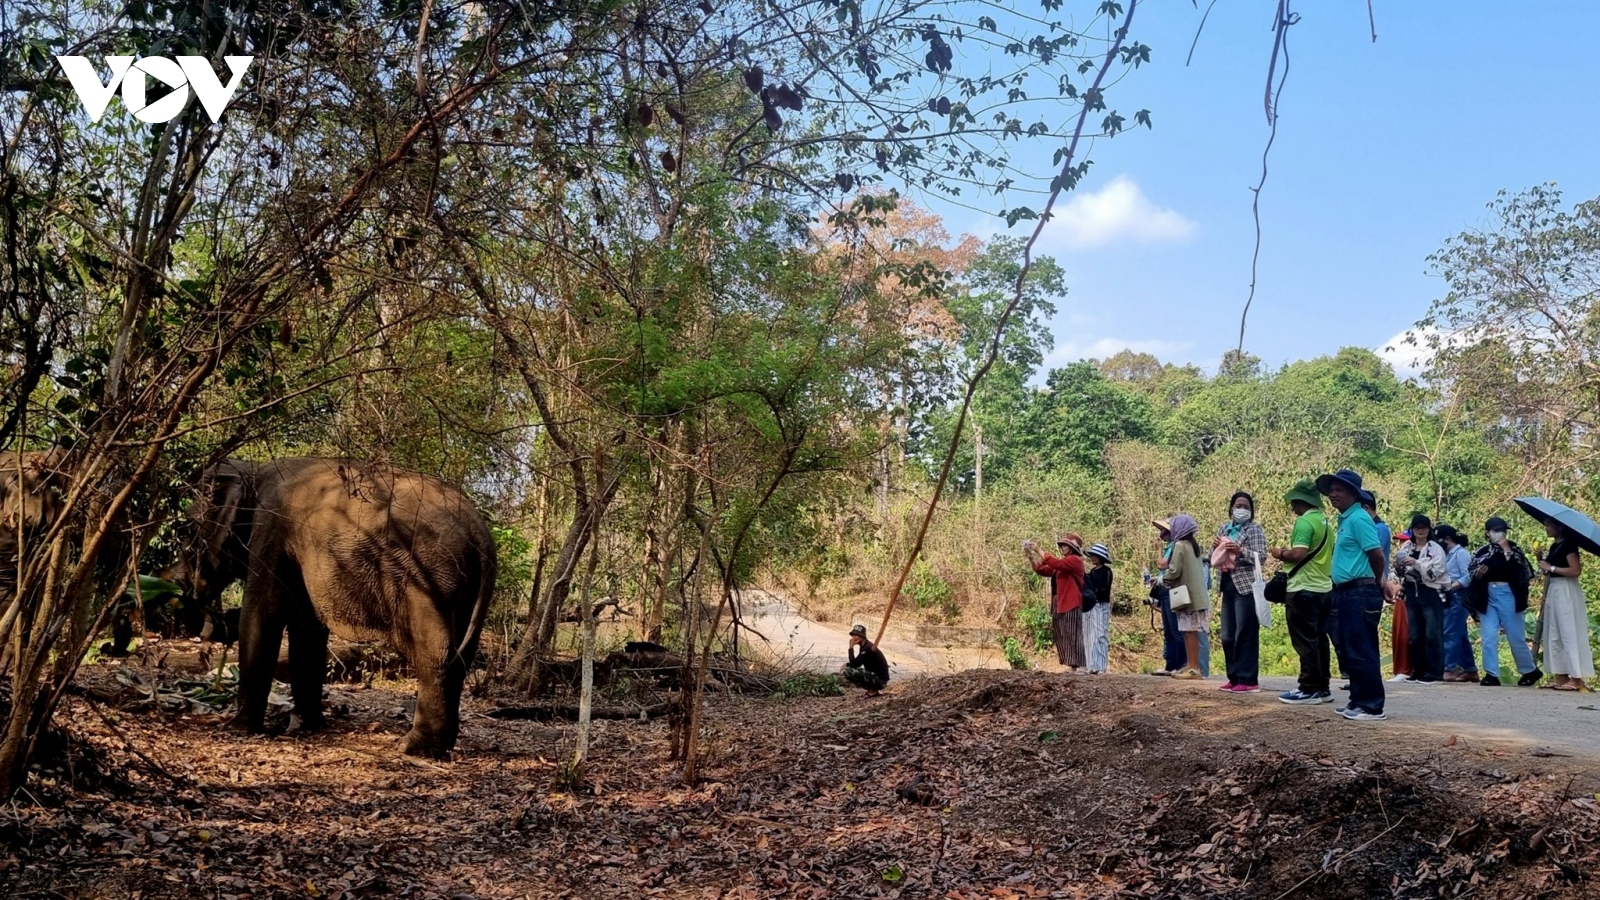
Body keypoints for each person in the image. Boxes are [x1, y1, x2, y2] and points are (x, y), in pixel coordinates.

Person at [1317, 469, 1390, 721]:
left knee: (1362, 647)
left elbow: (1376, 554)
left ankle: (1371, 705)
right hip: (1346, 592)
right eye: (1331, 490)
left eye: (1339, 490)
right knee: (1350, 648)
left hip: (1361, 590)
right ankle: (1358, 700)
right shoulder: (1346, 520)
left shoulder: (1359, 518)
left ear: (1352, 493)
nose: (1333, 494)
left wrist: (1379, 581)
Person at [1270, 479, 1335, 704]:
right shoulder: (1326, 522)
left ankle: (1308, 687)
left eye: (1293, 502)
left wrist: (1280, 553)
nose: (1291, 507)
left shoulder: (1304, 523)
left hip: (1303, 587)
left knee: (1304, 640)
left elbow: (1298, 554)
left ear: (1301, 502)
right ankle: (1323, 686)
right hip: (1324, 587)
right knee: (1319, 638)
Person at [1468, 516, 1542, 687]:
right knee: (1488, 636)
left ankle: (1530, 671)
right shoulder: (1481, 551)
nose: (1499, 534)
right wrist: (1479, 573)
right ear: (1488, 533)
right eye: (1495, 531)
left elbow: (1523, 571)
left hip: (1509, 594)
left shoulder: (1515, 549)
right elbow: (1471, 573)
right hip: (1487, 595)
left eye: (1502, 530)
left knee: (1516, 636)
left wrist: (1507, 550)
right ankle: (1491, 674)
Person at [1212, 491, 1267, 693]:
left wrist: (1240, 551)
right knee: (1227, 635)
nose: (1241, 509)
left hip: (1246, 586)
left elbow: (1261, 557)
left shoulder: (1254, 530)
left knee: (1245, 633)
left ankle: (1249, 679)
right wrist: (1215, 548)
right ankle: (1234, 677)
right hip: (1226, 585)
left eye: (1246, 506)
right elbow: (1213, 558)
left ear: (1251, 511)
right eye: (1238, 505)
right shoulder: (1224, 528)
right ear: (1231, 508)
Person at [1536, 519, 1592, 691]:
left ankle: (1576, 677)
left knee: (1568, 631)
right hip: (1554, 589)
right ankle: (1560, 675)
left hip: (1566, 590)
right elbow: (1549, 570)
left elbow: (1575, 571)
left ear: (1560, 527)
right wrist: (1542, 561)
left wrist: (1551, 568)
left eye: (1549, 525)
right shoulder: (1555, 547)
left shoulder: (1569, 546)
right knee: (1554, 632)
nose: (1546, 529)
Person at [1393, 514, 1448, 684]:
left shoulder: (1435, 549)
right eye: (1417, 527)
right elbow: (1399, 573)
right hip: (1411, 591)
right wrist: (1399, 566)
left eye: (1424, 527)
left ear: (1429, 529)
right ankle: (1418, 670)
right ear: (1412, 530)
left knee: (1433, 634)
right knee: (1415, 635)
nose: (1420, 530)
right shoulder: (1407, 547)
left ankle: (1435, 672)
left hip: (1430, 593)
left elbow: (1436, 573)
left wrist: (1416, 563)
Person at [1025, 533, 1089, 672]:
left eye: (1066, 545)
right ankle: (1072, 665)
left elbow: (1055, 563)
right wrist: (1031, 556)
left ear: (1073, 548)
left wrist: (1038, 549)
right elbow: (1042, 570)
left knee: (1074, 633)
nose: (1063, 547)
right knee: (1063, 632)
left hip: (1071, 601)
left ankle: (1082, 665)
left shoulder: (1075, 560)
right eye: (1062, 545)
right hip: (1059, 602)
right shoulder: (1063, 564)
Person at [1162, 514, 1210, 680]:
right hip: (1198, 596)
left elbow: (1174, 570)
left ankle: (1193, 667)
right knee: (1190, 631)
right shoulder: (1193, 546)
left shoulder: (1180, 545)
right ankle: (1191, 666)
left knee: (1189, 632)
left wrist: (1163, 579)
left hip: (1187, 597)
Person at [1434, 525, 1480, 683]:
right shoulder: (1446, 554)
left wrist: (1451, 586)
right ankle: (1470, 669)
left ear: (1447, 539)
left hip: (1458, 595)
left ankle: (1449, 668)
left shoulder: (1461, 554)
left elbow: (1468, 576)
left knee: (1450, 632)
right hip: (1447, 594)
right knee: (1459, 633)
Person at [1083, 543, 1114, 675]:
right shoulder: (1092, 572)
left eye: (1094, 556)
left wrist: (1094, 592)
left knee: (1101, 634)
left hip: (1101, 605)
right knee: (1090, 635)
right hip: (1092, 606)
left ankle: (1101, 666)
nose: (1092, 558)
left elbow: (1104, 589)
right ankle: (1092, 664)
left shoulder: (1106, 571)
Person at [841, 624, 890, 697]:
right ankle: (872, 689)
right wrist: (847, 664)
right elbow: (857, 663)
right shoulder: (864, 646)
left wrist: (851, 648)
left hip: (880, 681)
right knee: (849, 669)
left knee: (847, 671)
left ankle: (873, 689)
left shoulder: (867, 648)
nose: (854, 638)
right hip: (876, 677)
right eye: (853, 635)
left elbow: (854, 665)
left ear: (862, 637)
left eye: (857, 635)